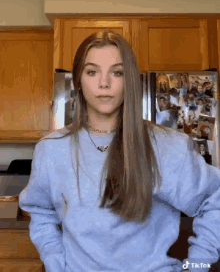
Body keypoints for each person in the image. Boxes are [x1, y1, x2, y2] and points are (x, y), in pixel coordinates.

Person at [19, 30, 220, 272]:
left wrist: (198, 266)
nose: (104, 83)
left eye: (117, 72)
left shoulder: (168, 146)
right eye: (92, 72)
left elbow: (215, 199)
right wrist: (55, 263)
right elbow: (40, 211)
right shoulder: (51, 150)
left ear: (130, 81)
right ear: (78, 81)